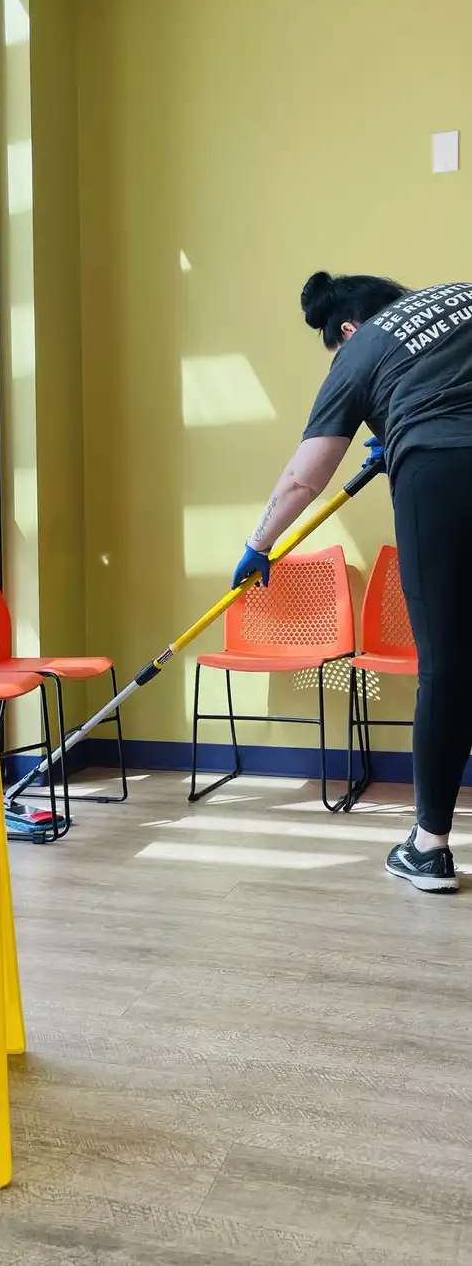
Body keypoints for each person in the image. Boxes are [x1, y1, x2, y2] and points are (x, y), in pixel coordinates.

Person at [233, 271, 472, 893]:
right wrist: (393, 429)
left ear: (346, 329)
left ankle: (428, 848)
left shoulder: (362, 348)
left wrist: (258, 545)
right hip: (434, 446)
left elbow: (303, 477)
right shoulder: (460, 293)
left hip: (441, 471)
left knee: (447, 668)